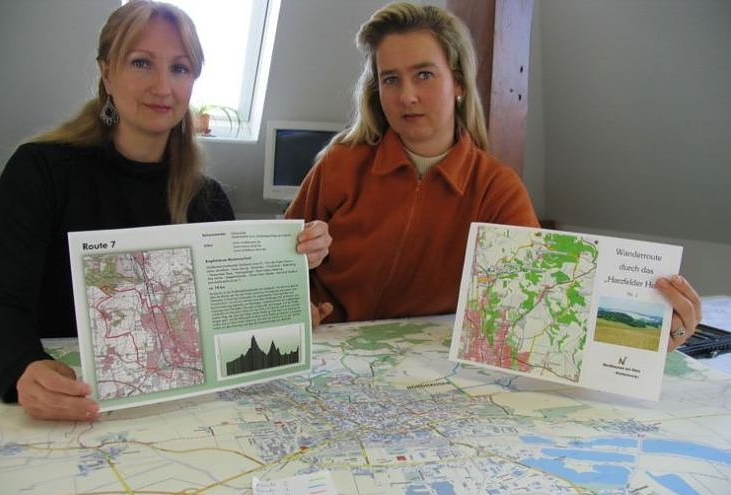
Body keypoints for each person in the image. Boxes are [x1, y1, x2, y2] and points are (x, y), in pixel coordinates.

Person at [0, 1, 330, 422]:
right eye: (141, 63)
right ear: (106, 73)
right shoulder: (40, 171)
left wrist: (287, 295)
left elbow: (222, 321)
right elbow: (1, 300)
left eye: (180, 68)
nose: (162, 87)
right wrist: (22, 366)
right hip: (73, 402)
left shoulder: (208, 199)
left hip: (181, 412)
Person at [287, 3, 701, 346]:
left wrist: (652, 335)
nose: (406, 96)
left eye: (424, 74)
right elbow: (270, 270)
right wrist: (294, 297)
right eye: (390, 79)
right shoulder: (339, 164)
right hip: (326, 358)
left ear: (458, 83)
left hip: (421, 373)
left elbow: (547, 305)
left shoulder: (495, 189)